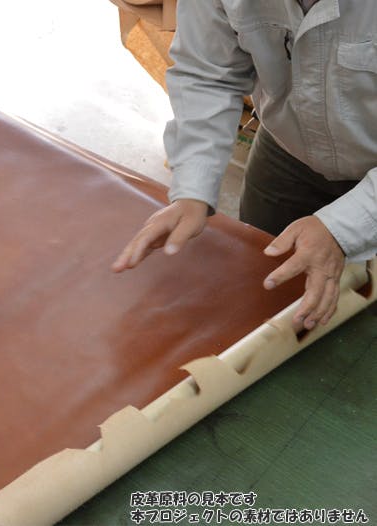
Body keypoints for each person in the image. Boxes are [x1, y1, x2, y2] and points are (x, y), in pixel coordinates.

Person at [113, 0, 376, 331]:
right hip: (287, 152)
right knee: (261, 291)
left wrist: (344, 228)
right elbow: (208, 74)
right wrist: (193, 186)